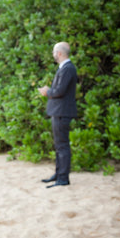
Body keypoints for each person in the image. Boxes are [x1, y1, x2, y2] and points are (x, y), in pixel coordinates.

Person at [38, 42, 77, 189]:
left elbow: (59, 91)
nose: (53, 54)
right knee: (59, 145)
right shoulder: (65, 68)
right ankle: (58, 173)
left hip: (62, 111)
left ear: (59, 53)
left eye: (54, 52)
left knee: (62, 146)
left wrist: (47, 91)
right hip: (59, 111)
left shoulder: (68, 68)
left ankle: (63, 177)